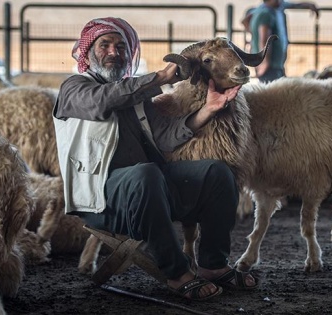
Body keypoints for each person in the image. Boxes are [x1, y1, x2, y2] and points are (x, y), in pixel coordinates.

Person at [52, 17, 258, 301]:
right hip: (101, 198)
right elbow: (101, 103)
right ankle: (177, 273)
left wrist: (209, 110)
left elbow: (166, 137)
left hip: (149, 190)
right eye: (105, 45)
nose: (114, 52)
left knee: (217, 173)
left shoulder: (136, 98)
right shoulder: (74, 89)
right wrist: (160, 78)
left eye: (122, 47)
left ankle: (214, 264)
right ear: (87, 52)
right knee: (145, 173)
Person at [243, 0, 319, 83]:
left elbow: (293, 5)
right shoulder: (265, 13)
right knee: (272, 92)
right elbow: (264, 40)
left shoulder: (273, 8)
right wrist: (265, 63)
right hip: (270, 66)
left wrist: (308, 5)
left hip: (276, 64)